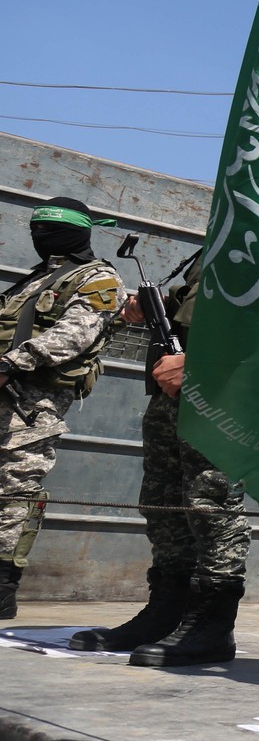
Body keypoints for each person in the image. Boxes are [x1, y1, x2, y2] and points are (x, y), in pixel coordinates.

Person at [68, 251, 253, 667]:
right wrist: (157, 306)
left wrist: (202, 363)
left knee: (211, 502)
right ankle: (166, 613)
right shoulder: (217, 238)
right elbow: (198, 301)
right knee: (161, 501)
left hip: (222, 385)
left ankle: (211, 625)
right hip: (173, 385)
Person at [0, 198, 125, 621]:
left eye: (49, 231)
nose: (40, 237)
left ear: (77, 233)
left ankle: (3, 587)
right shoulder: (38, 277)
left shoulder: (99, 279)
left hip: (33, 402)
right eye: (35, 230)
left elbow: (73, 336)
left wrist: (10, 365)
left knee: (16, 488)